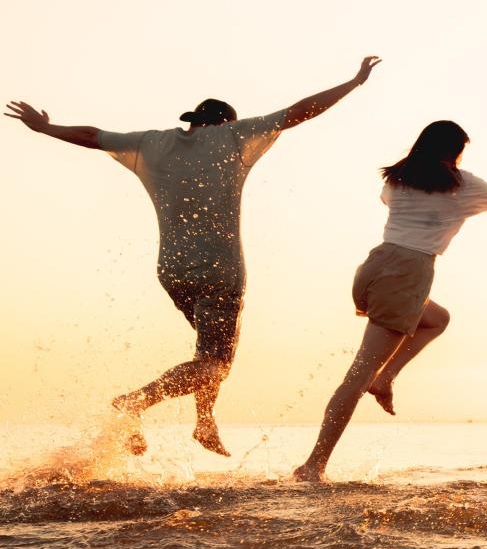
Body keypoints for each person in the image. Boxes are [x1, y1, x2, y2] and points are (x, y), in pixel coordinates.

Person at [5, 57, 382, 457]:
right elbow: (299, 113)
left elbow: (93, 135)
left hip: (172, 270)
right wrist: (354, 82)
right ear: (224, 123)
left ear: (192, 122)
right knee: (217, 361)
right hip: (219, 269)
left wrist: (45, 128)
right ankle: (134, 402)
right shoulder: (234, 137)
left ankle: (204, 421)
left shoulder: (153, 142)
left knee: (208, 352)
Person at [292, 121, 487, 482]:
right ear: (455, 151)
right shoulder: (462, 184)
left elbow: (389, 203)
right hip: (409, 273)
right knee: (356, 378)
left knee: (437, 319)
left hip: (375, 266)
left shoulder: (396, 179)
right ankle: (313, 465)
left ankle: (385, 378)